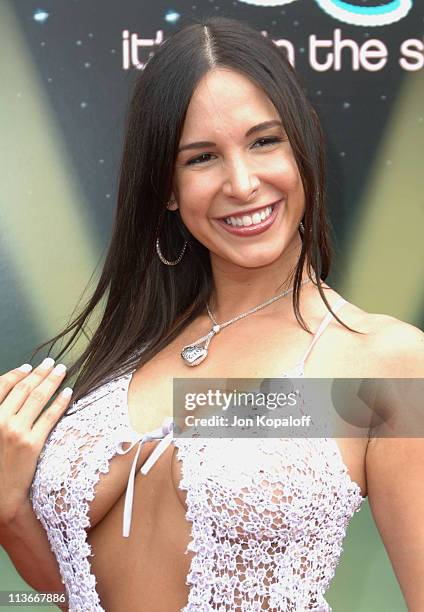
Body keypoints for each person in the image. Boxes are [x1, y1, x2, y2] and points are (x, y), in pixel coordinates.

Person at [0, 15, 423, 612]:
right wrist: (11, 510)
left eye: (264, 141)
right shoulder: (130, 351)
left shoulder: (382, 363)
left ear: (302, 148)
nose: (243, 182)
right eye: (201, 158)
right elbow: (70, 591)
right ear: (166, 187)